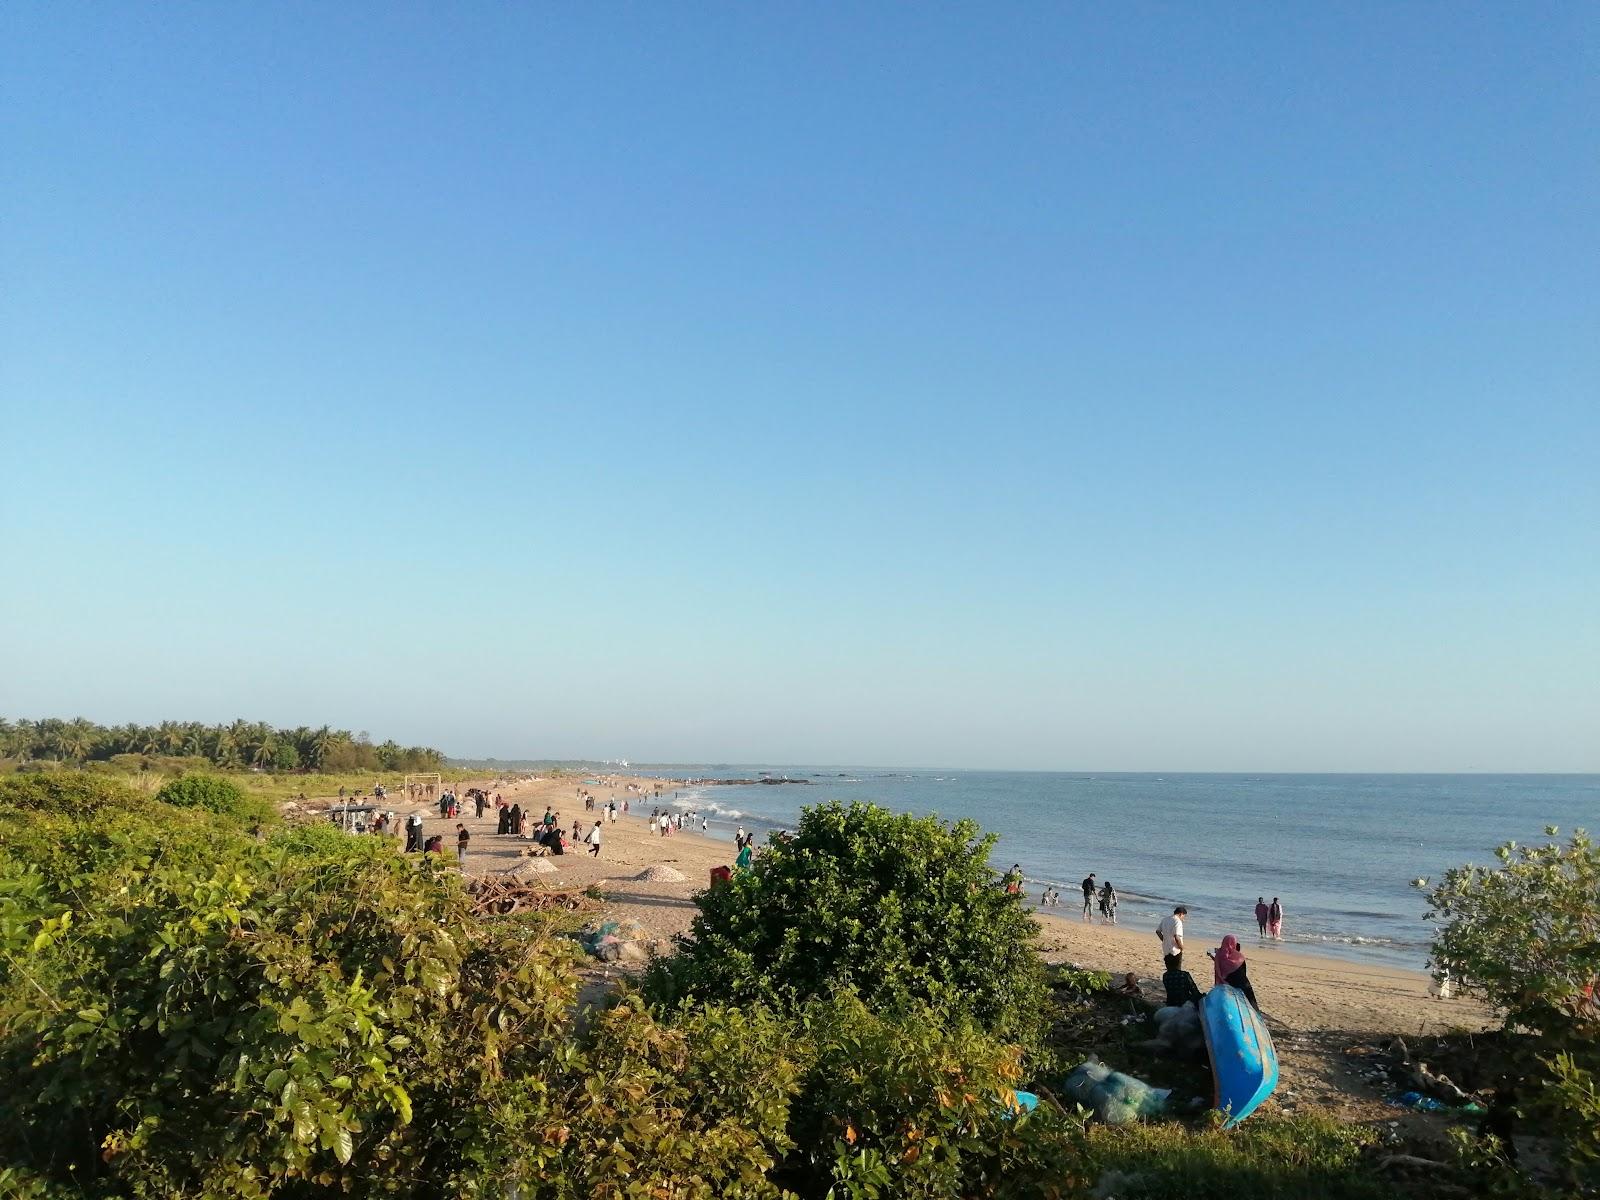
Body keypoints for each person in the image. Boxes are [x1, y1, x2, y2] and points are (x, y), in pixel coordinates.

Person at [1208, 934, 1259, 1010]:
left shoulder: (1219, 954)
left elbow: (1220, 965)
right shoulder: (1239, 957)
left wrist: (1211, 956)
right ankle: (1255, 1010)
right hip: (1243, 985)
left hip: (1225, 984)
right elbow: (1243, 972)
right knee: (1250, 999)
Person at [1156, 905, 1187, 971]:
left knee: (1169, 969)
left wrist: (1164, 939)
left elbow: (1158, 931)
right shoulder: (1178, 921)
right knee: (1177, 970)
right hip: (1175, 950)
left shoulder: (1165, 919)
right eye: (1184, 916)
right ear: (1181, 914)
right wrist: (1181, 947)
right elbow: (1177, 936)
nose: (1183, 919)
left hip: (1166, 949)